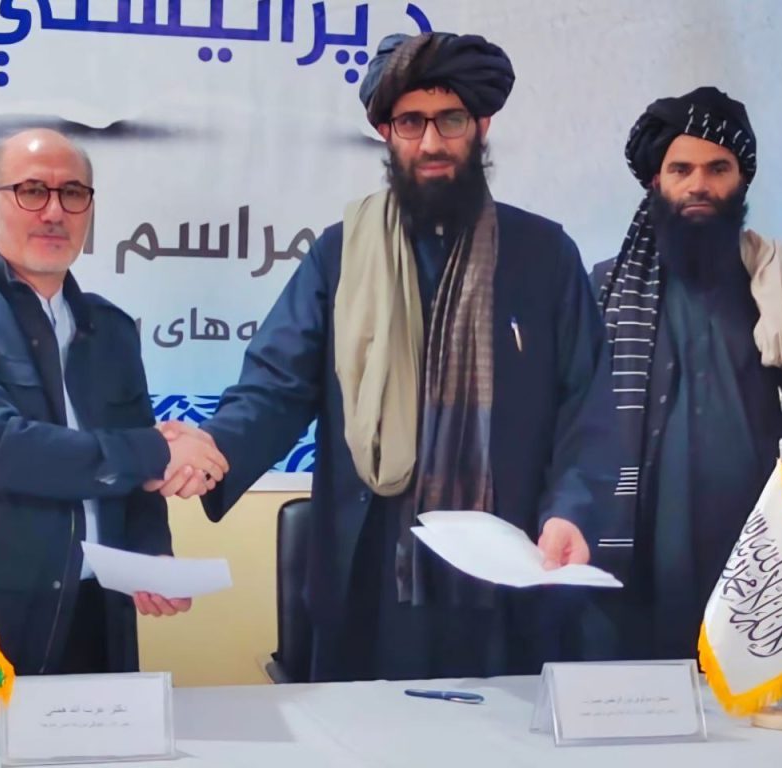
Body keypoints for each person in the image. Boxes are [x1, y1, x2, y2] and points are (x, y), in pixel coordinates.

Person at [165, 31, 617, 682]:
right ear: (386, 132)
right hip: (371, 571)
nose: (431, 143)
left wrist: (571, 511)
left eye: (450, 120)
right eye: (411, 122)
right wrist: (214, 448)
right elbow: (277, 386)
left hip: (510, 573)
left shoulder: (544, 255)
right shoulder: (341, 253)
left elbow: (588, 408)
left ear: (482, 126)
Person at [0, 129, 228, 674]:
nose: (53, 212)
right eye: (32, 191)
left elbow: (137, 482)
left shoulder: (111, 329)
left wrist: (151, 552)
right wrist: (157, 451)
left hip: (97, 609)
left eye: (72, 193)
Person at [590, 87, 782, 659]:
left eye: (717, 168)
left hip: (757, 562)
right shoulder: (604, 291)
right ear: (655, 180)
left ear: (742, 181)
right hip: (634, 565)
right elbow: (571, 435)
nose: (698, 184)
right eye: (681, 169)